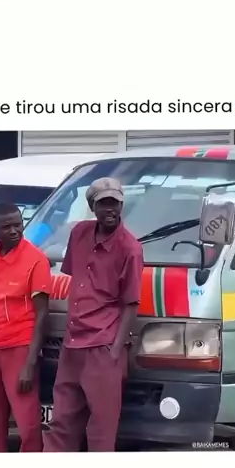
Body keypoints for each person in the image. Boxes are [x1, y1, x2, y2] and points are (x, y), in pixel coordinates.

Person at [43, 178, 144, 452]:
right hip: (72, 343)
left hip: (103, 346)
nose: (110, 209)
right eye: (103, 204)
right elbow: (74, 276)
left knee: (101, 429)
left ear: (122, 205)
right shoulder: (79, 233)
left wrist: (114, 352)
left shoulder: (130, 248)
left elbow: (131, 304)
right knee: (61, 422)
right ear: (92, 207)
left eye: (115, 203)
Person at [0, 203, 52, 451]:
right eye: (6, 227)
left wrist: (29, 364)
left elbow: (42, 314)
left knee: (27, 422)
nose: (14, 231)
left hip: (19, 348)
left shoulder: (36, 259)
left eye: (18, 225)